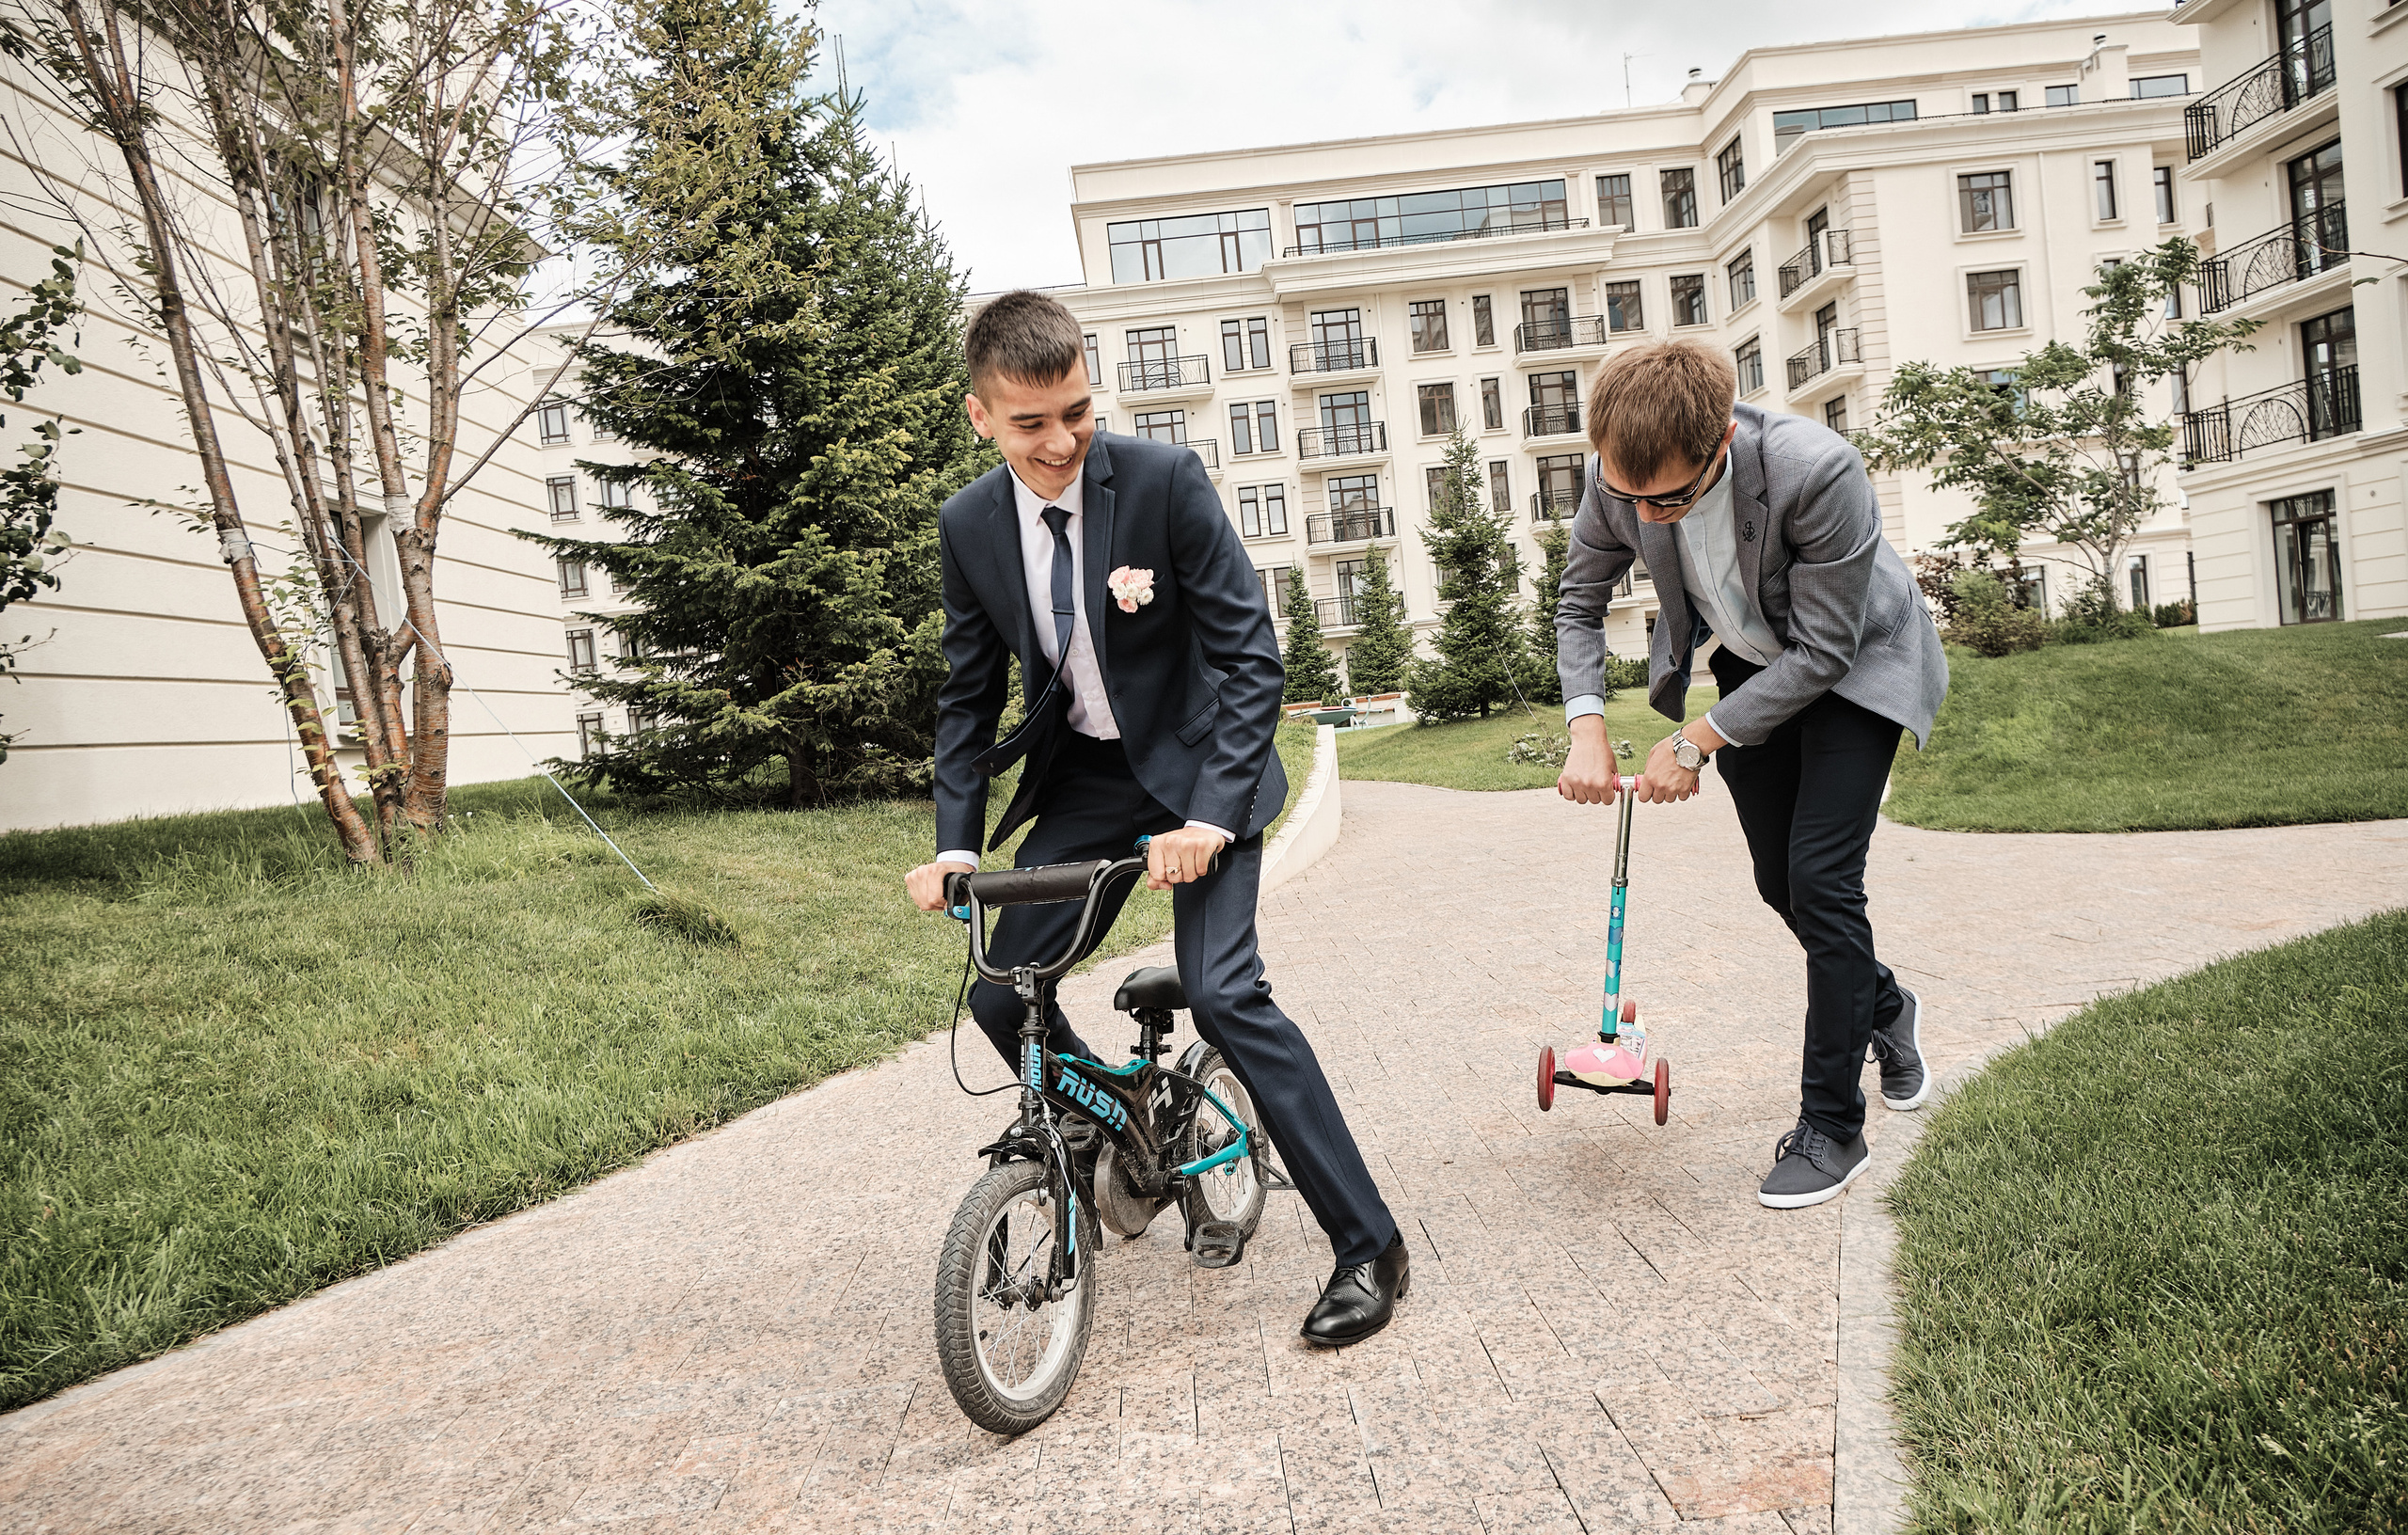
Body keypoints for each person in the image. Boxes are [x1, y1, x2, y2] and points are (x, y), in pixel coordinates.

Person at [902, 290, 1407, 1344]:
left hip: (1199, 775)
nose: (1060, 441)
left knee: (1226, 995)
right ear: (980, 418)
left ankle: (1369, 1246)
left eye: (1076, 412)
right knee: (1000, 997)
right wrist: (955, 840)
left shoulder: (1165, 481)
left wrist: (1214, 817)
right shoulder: (968, 524)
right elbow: (964, 695)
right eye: (1030, 422)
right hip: (1084, 785)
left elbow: (1247, 657)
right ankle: (1120, 1136)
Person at [1553, 340, 1949, 1210]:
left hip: (1855, 670)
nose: (1645, 516)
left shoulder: (1817, 472)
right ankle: (1883, 1004)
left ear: (1723, 439)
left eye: (1669, 499)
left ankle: (1832, 1128)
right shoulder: (1619, 476)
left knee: (1822, 877)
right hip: (1748, 663)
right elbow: (1579, 602)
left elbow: (1825, 649)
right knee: (1780, 881)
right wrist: (1586, 724)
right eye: (1627, 496)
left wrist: (1697, 741)